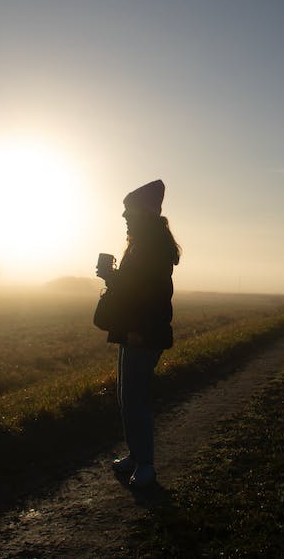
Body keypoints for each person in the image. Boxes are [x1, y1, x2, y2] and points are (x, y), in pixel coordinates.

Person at [96, 179, 180, 488]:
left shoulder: (152, 249)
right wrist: (112, 277)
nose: (123, 217)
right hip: (133, 330)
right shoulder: (145, 246)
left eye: (128, 210)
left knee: (136, 400)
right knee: (126, 398)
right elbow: (134, 289)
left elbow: (150, 296)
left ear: (142, 213)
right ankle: (136, 455)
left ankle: (145, 466)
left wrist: (138, 332)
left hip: (142, 333)